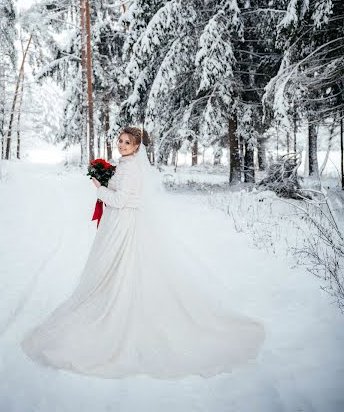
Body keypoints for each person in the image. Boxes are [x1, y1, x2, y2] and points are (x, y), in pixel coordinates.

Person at [21, 126, 265, 378]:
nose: (122, 145)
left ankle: (125, 313)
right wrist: (107, 177)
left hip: (125, 224)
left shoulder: (132, 168)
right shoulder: (125, 165)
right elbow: (120, 191)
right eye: (120, 140)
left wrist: (99, 187)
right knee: (114, 270)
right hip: (119, 222)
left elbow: (120, 200)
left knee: (123, 267)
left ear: (137, 147)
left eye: (127, 142)